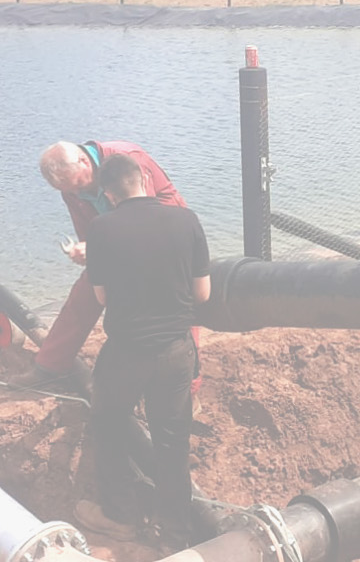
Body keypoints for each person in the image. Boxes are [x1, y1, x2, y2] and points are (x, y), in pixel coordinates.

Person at [71, 153, 208, 543]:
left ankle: (121, 516)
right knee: (172, 440)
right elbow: (203, 292)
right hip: (177, 350)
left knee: (109, 425)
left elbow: (100, 297)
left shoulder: (100, 229)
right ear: (144, 180)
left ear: (109, 194)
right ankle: (176, 532)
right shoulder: (187, 219)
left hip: (128, 351)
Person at [30, 140, 201, 395]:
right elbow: (89, 233)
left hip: (166, 242)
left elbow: (150, 220)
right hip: (121, 242)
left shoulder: (128, 162)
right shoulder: (71, 188)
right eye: (67, 191)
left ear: (84, 162)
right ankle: (50, 365)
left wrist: (101, 246)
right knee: (85, 293)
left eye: (77, 186)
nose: (75, 194)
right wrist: (88, 250)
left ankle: (188, 389)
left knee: (177, 304)